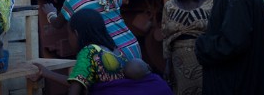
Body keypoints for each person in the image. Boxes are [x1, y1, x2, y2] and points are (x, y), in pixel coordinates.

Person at [28, 9, 173, 95]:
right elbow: (81, 80)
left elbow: (75, 89)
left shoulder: (88, 52)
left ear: (77, 34)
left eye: (69, 34)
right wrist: (46, 73)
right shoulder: (115, 50)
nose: (69, 38)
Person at [161, 0, 213, 95]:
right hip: (179, 63)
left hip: (205, 60)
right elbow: (166, 38)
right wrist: (167, 65)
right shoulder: (170, 6)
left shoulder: (210, 4)